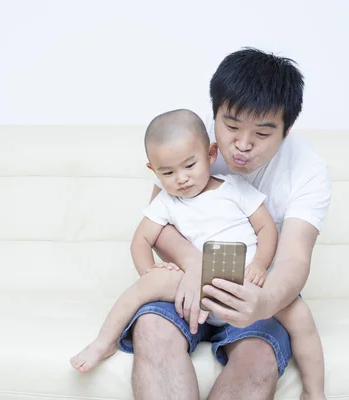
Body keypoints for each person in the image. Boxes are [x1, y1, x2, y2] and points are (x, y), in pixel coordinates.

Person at [123, 48, 331, 400]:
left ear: (287, 128)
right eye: (231, 127)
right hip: (182, 289)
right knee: (152, 329)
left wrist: (263, 303)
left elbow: (295, 258)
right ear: (215, 113)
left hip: (254, 292)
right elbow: (158, 222)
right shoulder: (189, 140)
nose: (242, 145)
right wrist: (194, 264)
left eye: (263, 134)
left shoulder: (308, 170)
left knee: (259, 356)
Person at [70, 108, 278, 372]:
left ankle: (314, 386)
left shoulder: (234, 189)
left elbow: (267, 228)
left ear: (211, 154)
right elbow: (140, 241)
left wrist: (260, 264)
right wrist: (151, 273)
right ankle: (104, 341)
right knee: (146, 286)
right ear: (153, 171)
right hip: (191, 288)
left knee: (293, 309)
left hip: (241, 283)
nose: (181, 179)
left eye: (190, 165)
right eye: (167, 173)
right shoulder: (166, 202)